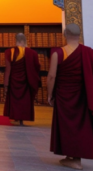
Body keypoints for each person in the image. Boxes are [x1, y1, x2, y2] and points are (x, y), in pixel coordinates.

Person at [48, 23, 93, 170]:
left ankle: (75, 161)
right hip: (82, 96)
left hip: (63, 96)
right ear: (79, 35)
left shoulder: (58, 53)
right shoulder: (88, 52)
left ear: (65, 34)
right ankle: (71, 156)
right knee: (79, 126)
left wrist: (49, 95)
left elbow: (51, 77)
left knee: (66, 126)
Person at [4, 32, 40, 125]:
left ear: (15, 40)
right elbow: (37, 68)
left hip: (13, 81)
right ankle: (21, 120)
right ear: (25, 41)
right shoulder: (32, 53)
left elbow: (8, 69)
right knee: (24, 101)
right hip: (27, 81)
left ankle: (15, 117)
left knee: (15, 101)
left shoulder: (9, 52)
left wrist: (6, 84)